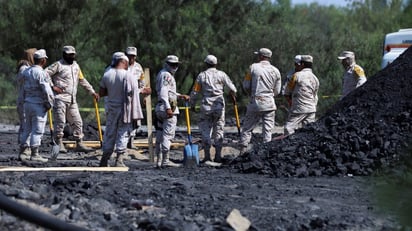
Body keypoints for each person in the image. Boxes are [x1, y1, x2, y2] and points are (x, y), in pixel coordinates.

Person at [46, 45, 99, 153]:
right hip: (60, 98)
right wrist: (52, 86)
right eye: (69, 55)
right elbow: (45, 73)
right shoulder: (58, 65)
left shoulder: (76, 66)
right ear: (64, 54)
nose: (72, 57)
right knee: (60, 122)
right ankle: (58, 144)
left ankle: (79, 143)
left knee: (77, 121)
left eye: (73, 55)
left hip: (72, 100)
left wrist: (92, 92)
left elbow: (82, 80)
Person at [98, 52, 144, 167]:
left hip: (111, 107)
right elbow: (133, 94)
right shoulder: (128, 75)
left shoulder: (107, 74)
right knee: (123, 132)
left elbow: (102, 92)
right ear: (123, 62)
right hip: (125, 109)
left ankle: (105, 158)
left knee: (109, 132)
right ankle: (119, 159)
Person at [190, 55, 237, 163]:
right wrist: (232, 94)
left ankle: (207, 156)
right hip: (219, 106)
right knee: (219, 130)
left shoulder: (202, 76)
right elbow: (233, 88)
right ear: (216, 64)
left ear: (206, 64)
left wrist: (192, 104)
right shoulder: (222, 74)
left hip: (206, 106)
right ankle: (218, 156)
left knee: (206, 131)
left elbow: (195, 91)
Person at [239, 48, 281, 154]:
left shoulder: (253, 67)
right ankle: (266, 153)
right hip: (269, 103)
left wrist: (251, 94)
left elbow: (246, 85)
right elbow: (277, 90)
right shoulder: (276, 70)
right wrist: (270, 96)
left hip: (255, 101)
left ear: (261, 56)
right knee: (268, 130)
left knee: (247, 128)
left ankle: (243, 150)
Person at [19, 49, 54, 162]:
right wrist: (49, 104)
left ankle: (24, 150)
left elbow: (22, 87)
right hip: (38, 104)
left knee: (27, 128)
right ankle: (35, 154)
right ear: (43, 60)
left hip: (27, 103)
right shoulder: (41, 73)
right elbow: (47, 90)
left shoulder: (26, 71)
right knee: (37, 130)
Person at [155, 55, 190, 168]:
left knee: (160, 134)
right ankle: (165, 161)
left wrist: (179, 96)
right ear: (167, 64)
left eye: (176, 65)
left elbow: (169, 92)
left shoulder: (162, 73)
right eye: (172, 64)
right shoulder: (167, 75)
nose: (175, 67)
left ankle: (158, 161)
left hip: (160, 107)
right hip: (167, 108)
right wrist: (168, 107)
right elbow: (164, 92)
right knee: (167, 135)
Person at [283, 55, 319, 136]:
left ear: (302, 64)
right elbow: (315, 94)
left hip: (299, 108)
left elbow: (287, 91)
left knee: (288, 128)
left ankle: (289, 146)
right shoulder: (315, 78)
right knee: (309, 130)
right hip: (311, 109)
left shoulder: (296, 75)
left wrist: (290, 100)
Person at [125, 46, 151, 149]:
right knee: (124, 121)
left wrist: (144, 92)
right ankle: (122, 144)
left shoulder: (138, 67)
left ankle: (131, 142)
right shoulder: (120, 66)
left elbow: (142, 84)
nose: (131, 58)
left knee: (135, 121)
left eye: (133, 56)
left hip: (134, 99)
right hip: (123, 99)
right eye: (129, 56)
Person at [16, 48, 37, 158]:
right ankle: (24, 148)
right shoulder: (24, 68)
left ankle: (26, 147)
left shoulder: (29, 68)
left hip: (28, 100)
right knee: (25, 125)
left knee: (29, 125)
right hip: (24, 101)